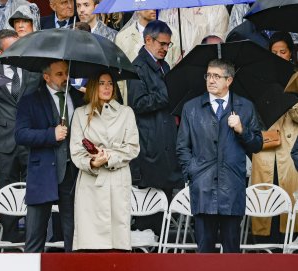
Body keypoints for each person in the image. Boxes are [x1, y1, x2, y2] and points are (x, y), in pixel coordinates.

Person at [176, 59, 263, 253]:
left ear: (229, 80)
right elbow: (182, 147)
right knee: (204, 252)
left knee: (231, 250)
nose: (211, 80)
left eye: (217, 76)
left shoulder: (245, 107)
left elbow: (257, 145)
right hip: (203, 188)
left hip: (232, 188)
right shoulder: (191, 108)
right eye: (208, 75)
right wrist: (193, 172)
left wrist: (242, 130)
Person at [14, 60, 84, 252]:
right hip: (42, 174)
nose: (65, 78)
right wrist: (50, 135)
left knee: (74, 235)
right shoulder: (30, 100)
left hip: (72, 173)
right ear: (47, 77)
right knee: (35, 235)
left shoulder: (78, 97)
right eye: (60, 74)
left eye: (67, 73)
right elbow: (20, 134)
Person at [0, 29, 41, 241]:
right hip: (5, 140)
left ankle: (32, 237)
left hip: (31, 137)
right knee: (6, 189)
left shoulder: (33, 68)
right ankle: (9, 238)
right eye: (12, 47)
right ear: (0, 51)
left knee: (33, 188)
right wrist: (5, 123)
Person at [70, 72, 139, 251]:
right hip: (90, 184)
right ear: (93, 86)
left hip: (117, 181)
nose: (107, 87)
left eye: (110, 83)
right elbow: (76, 152)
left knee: (117, 243)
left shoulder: (126, 112)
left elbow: (132, 147)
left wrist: (108, 158)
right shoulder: (79, 114)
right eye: (102, 83)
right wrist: (93, 163)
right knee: (90, 244)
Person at [127, 20, 184, 203]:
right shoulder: (138, 67)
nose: (166, 48)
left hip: (165, 140)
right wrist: (168, 92)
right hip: (150, 146)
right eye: (162, 44)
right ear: (148, 40)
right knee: (150, 209)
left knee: (164, 203)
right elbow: (138, 103)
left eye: (168, 44)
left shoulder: (164, 65)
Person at [250, 31, 298, 243]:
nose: (279, 55)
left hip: (290, 150)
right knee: (265, 203)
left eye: (283, 51)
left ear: (290, 54)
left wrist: (289, 97)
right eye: (274, 52)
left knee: (289, 206)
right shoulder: (259, 78)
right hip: (266, 148)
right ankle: (263, 249)